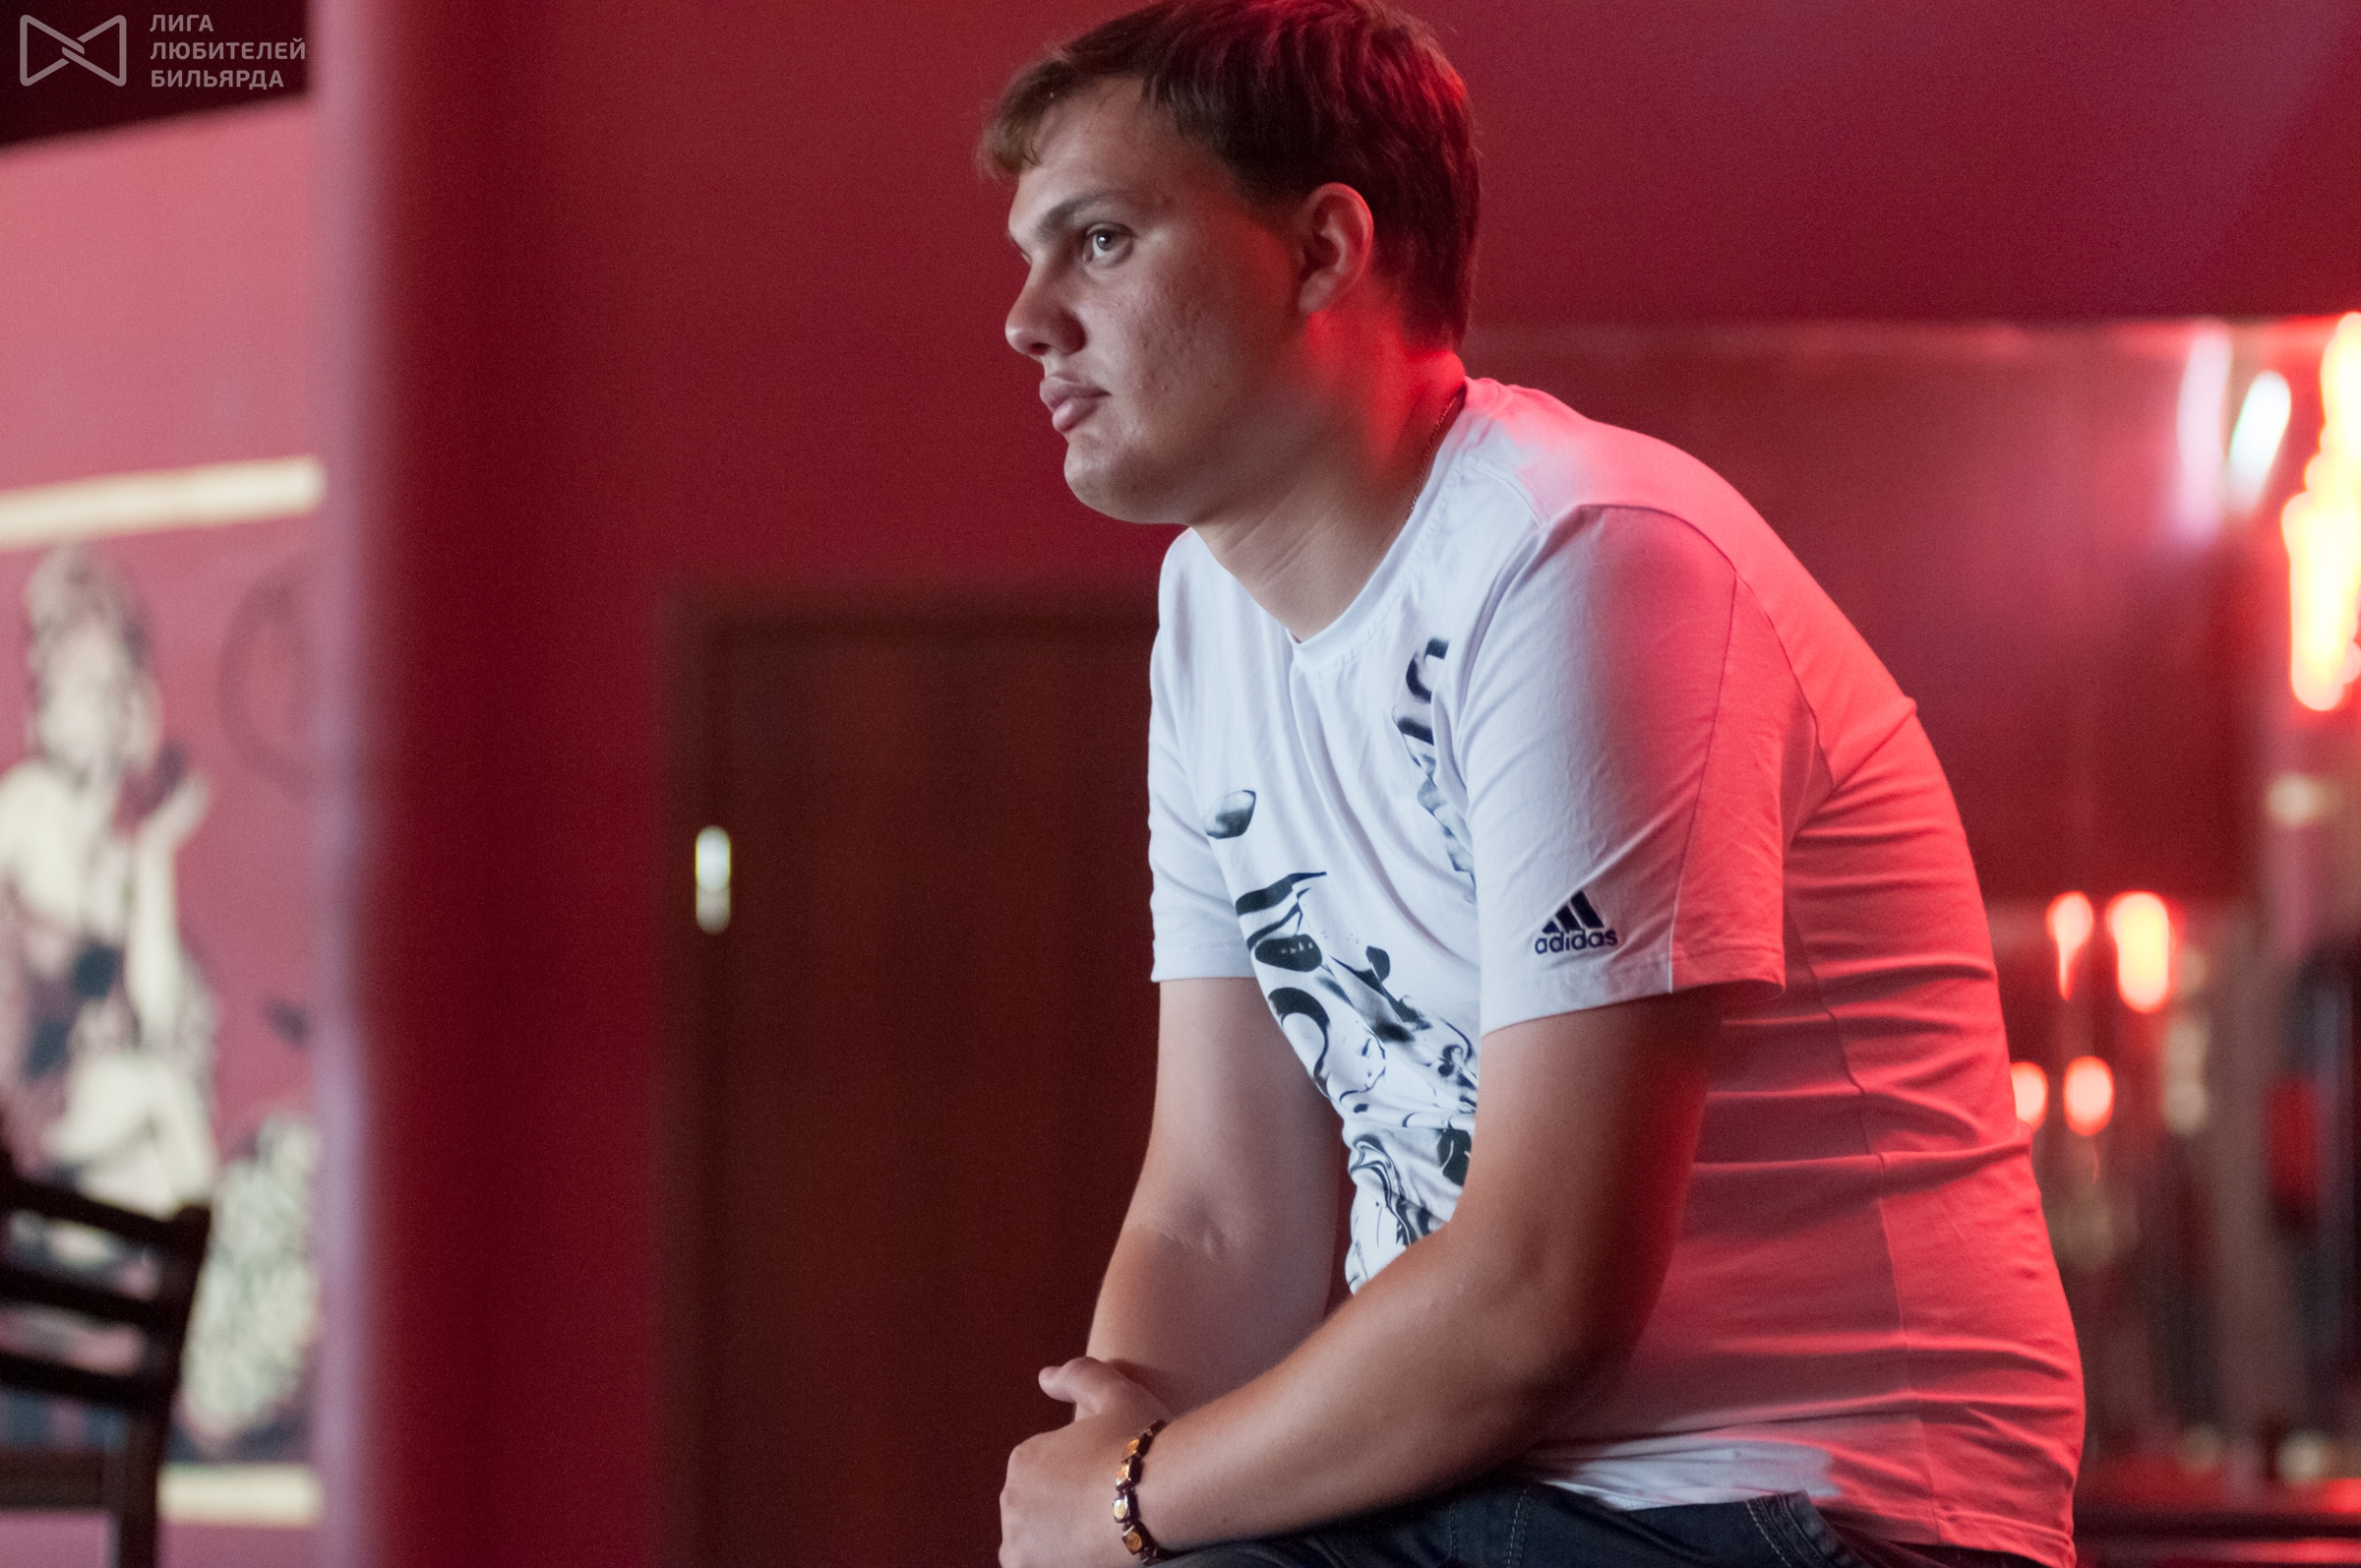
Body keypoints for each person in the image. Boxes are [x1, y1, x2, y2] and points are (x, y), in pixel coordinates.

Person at [986, 4, 2083, 1566]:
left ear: (1322, 251)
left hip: (1801, 1503)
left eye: (1099, 242)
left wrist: (1131, 1499)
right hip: (1486, 1492)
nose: (1029, 320)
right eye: (1030, 257)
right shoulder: (1210, 616)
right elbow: (1219, 1210)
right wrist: (1110, 1494)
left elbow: (1540, 1292)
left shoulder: (1583, 555)